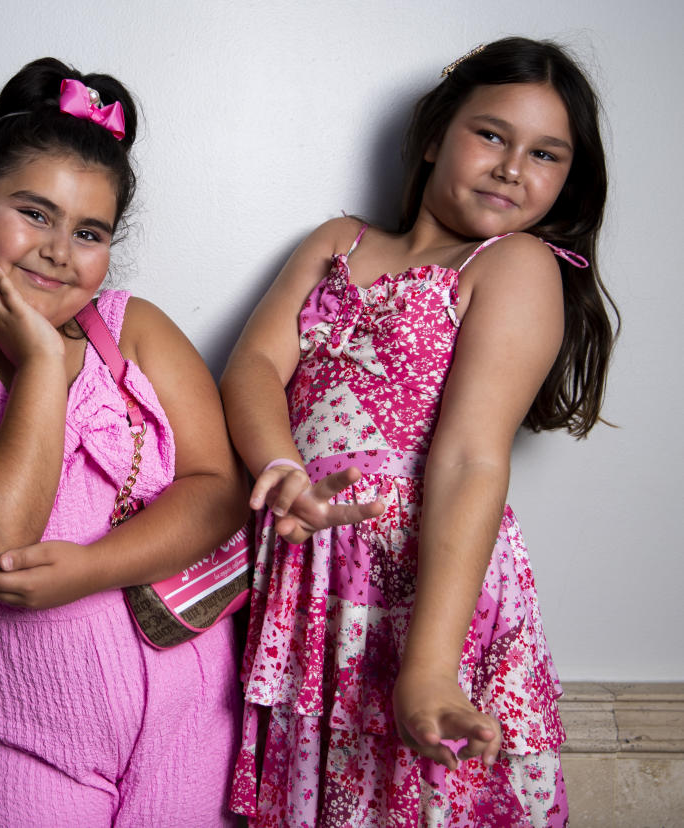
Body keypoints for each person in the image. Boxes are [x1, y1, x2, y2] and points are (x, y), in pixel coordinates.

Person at [222, 37, 617, 827]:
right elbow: (253, 367)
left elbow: (472, 459)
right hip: (315, 570)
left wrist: (433, 665)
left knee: (420, 789)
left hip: (426, 584)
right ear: (436, 135)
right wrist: (283, 469)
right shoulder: (340, 242)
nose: (512, 166)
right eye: (492, 134)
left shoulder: (514, 265)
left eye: (546, 153)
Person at [0, 58, 248, 827]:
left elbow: (219, 491)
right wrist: (40, 361)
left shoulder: (132, 329)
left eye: (90, 232)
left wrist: (92, 570)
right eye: (33, 214)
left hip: (197, 716)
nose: (59, 251)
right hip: (35, 737)